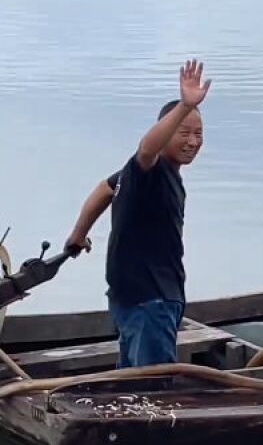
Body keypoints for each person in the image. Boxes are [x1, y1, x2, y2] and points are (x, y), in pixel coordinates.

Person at [65, 59, 211, 368]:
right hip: (148, 301)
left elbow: (104, 189)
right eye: (184, 132)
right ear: (167, 131)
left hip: (139, 299)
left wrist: (78, 235)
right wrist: (185, 106)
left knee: (138, 388)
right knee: (148, 391)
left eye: (199, 134)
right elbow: (146, 149)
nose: (193, 141)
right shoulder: (148, 171)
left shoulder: (156, 177)